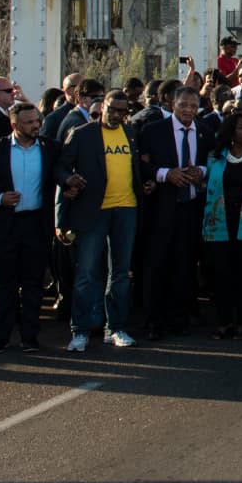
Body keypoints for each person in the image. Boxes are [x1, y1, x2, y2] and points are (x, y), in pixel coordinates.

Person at [57, 89, 141, 352]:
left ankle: (115, 328)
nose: (116, 115)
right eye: (111, 109)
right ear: (101, 106)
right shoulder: (82, 134)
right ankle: (80, 331)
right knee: (87, 273)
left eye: (121, 111)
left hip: (126, 208)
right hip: (93, 210)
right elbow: (61, 168)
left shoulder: (131, 134)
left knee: (120, 274)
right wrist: (66, 187)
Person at [135, 86, 215, 339]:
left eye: (194, 106)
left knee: (185, 265)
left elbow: (212, 161)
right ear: (172, 105)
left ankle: (178, 318)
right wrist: (166, 174)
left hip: (191, 208)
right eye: (184, 106)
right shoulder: (153, 131)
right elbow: (141, 165)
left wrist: (200, 171)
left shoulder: (204, 132)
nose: (189, 111)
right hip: (161, 208)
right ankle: (153, 321)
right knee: (157, 265)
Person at [0, 102, 53, 352]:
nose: (35, 126)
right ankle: (1, 336)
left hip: (36, 224)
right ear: (14, 125)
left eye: (37, 121)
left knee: (33, 284)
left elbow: (61, 174)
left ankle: (30, 337)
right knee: (5, 283)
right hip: (6, 224)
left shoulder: (50, 149)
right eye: (29, 122)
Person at [201, 110, 242, 340]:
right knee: (221, 273)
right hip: (220, 220)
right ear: (230, 133)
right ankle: (224, 321)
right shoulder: (216, 156)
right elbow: (205, 181)